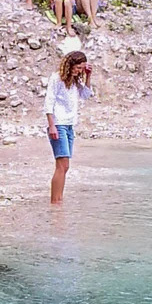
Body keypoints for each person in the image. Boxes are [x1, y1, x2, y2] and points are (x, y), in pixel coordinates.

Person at [44, 51, 94, 203]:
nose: (79, 71)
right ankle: (55, 201)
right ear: (70, 64)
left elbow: (86, 95)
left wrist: (88, 76)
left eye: (81, 68)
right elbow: (49, 102)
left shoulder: (74, 82)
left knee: (65, 166)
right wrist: (51, 125)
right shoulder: (56, 78)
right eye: (78, 67)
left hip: (69, 125)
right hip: (58, 124)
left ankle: (58, 200)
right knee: (62, 165)